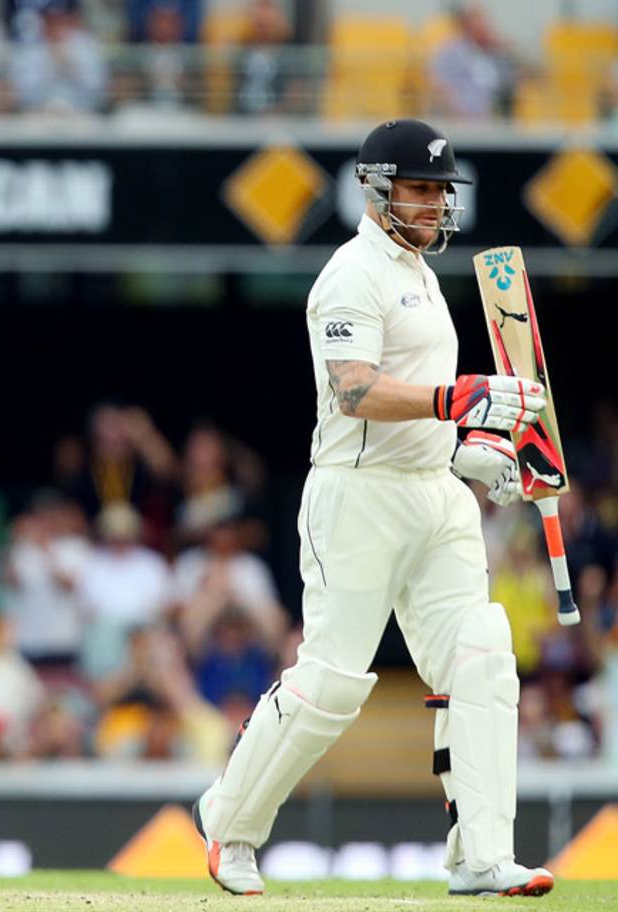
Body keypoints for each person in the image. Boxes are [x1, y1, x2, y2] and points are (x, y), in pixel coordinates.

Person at [191, 119, 556, 898]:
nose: (432, 205)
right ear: (378, 189)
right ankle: (229, 826)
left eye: (439, 193)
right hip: (355, 499)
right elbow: (353, 391)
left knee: (483, 656)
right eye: (419, 190)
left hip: (435, 499)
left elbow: (421, 419)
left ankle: (481, 855)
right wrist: (460, 398)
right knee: (331, 681)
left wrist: (473, 454)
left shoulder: (422, 276)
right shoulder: (349, 275)